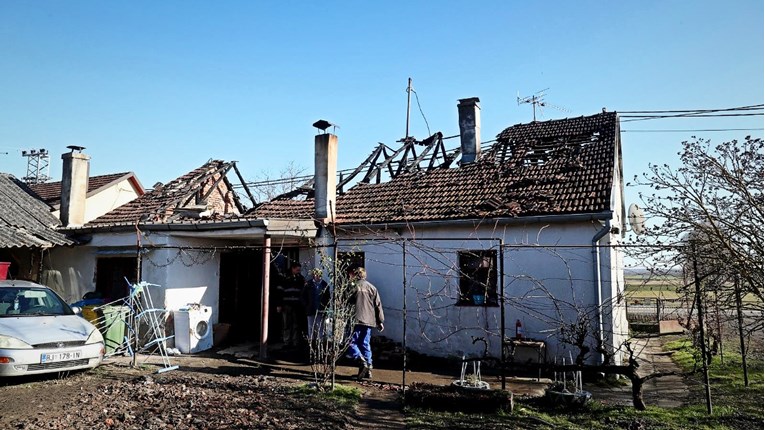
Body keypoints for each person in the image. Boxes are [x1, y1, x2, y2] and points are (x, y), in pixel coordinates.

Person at [348, 267, 384, 380]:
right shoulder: (372, 288)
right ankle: (368, 370)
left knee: (350, 342)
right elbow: (378, 305)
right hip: (369, 320)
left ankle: (361, 361)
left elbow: (346, 301)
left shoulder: (353, 287)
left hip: (356, 318)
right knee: (365, 344)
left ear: (355, 275)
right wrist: (380, 321)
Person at [277, 262, 305, 348]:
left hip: (296, 305)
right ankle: (286, 342)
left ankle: (295, 342)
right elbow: (279, 292)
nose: (299, 271)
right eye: (297, 270)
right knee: (286, 324)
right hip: (286, 304)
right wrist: (279, 305)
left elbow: (303, 292)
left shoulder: (300, 278)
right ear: (293, 268)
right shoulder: (284, 277)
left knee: (296, 324)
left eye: (299, 270)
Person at [301, 268, 330, 344]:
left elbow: (328, 297)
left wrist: (326, 307)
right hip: (310, 309)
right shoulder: (308, 284)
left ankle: (319, 344)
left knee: (320, 327)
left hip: (321, 309)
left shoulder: (324, 284)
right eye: (316, 275)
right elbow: (303, 296)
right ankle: (311, 344)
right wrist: (306, 306)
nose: (318, 276)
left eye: (319, 275)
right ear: (313, 275)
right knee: (311, 327)